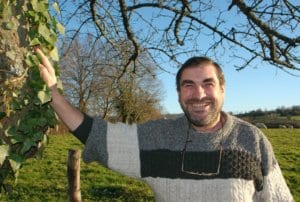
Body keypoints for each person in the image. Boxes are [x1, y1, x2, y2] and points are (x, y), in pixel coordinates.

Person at [35, 48, 294, 202]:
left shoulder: (252, 139)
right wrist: (54, 94)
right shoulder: (158, 137)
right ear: (179, 94)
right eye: (188, 85)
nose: (198, 94)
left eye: (208, 83)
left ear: (222, 89)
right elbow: (100, 137)